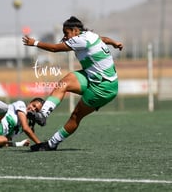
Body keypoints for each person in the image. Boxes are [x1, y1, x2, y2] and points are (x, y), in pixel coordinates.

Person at [22, 16, 123, 151]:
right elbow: (103, 39)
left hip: (104, 88)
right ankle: (43, 114)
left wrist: (35, 43)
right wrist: (114, 43)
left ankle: (52, 143)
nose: (65, 36)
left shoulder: (81, 40)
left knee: (76, 116)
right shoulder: (89, 35)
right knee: (65, 81)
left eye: (66, 33)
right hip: (94, 78)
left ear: (75, 30)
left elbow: (54, 49)